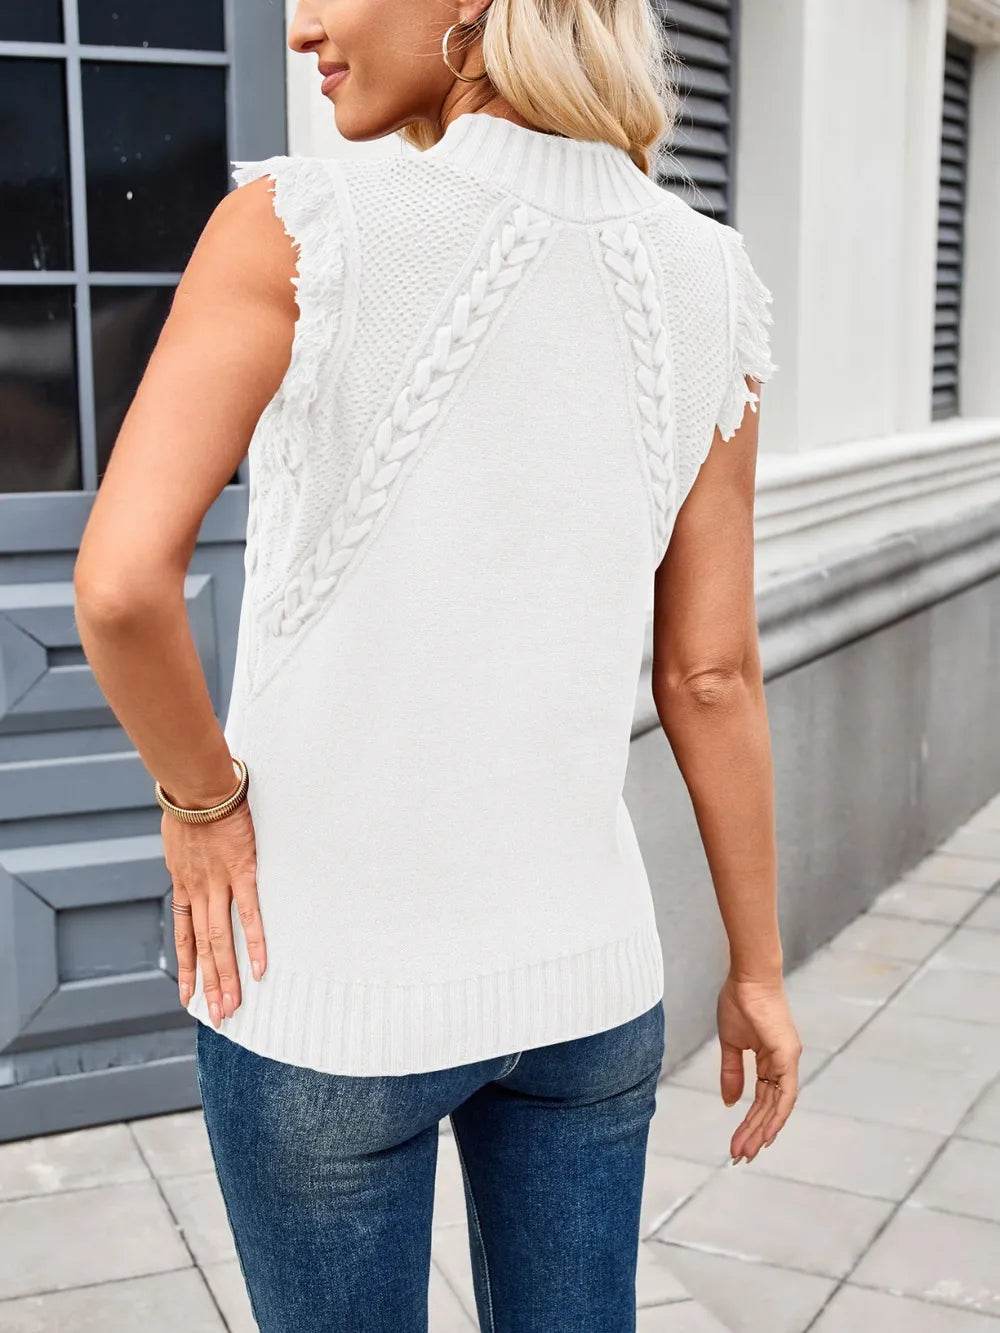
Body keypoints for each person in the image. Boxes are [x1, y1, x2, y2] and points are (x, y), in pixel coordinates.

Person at [74, 1, 802, 1328]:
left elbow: (121, 588)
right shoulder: (709, 273)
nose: (300, 28)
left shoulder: (300, 227)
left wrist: (202, 800)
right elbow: (711, 675)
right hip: (587, 986)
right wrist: (757, 968)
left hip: (330, 987)